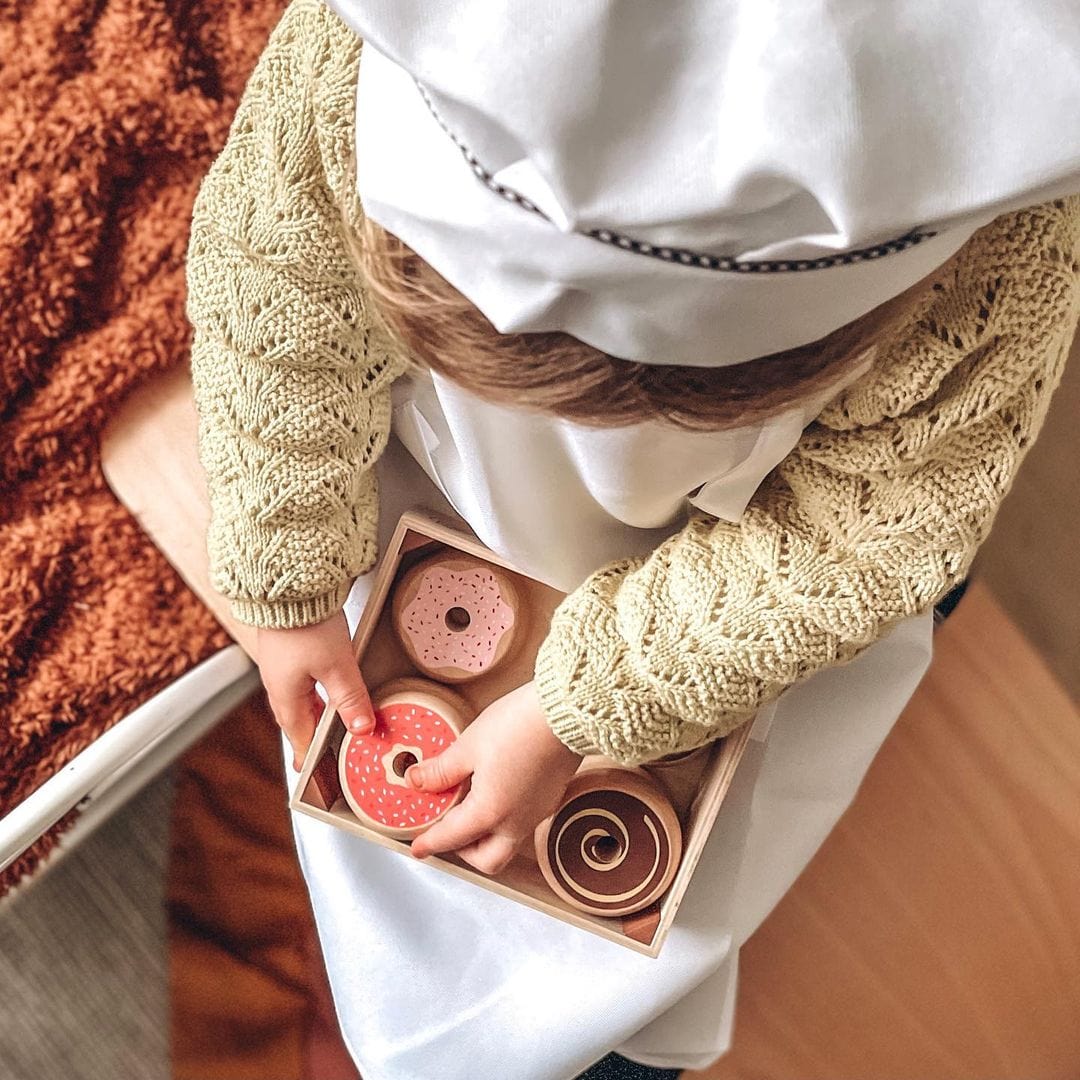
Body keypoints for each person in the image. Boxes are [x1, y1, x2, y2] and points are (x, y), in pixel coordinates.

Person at [185, 1, 1080, 1077]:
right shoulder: (345, 72)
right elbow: (273, 287)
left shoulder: (992, 259)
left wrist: (586, 705)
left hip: (757, 569)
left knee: (614, 980)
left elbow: (864, 532)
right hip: (461, 485)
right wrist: (284, 564)